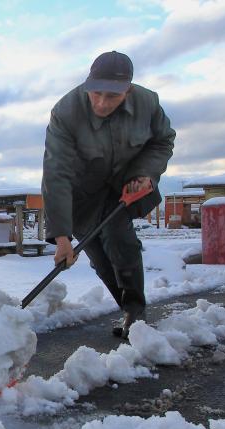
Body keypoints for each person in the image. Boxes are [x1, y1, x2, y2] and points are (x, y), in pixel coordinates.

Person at [41, 51, 176, 338]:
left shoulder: (147, 103)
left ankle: (135, 312)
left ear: (127, 90)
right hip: (81, 196)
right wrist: (62, 237)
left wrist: (145, 174)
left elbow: (163, 141)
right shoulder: (65, 112)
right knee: (101, 259)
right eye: (96, 93)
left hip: (123, 187)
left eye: (112, 96)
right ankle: (126, 306)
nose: (101, 103)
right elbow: (57, 174)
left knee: (120, 241)